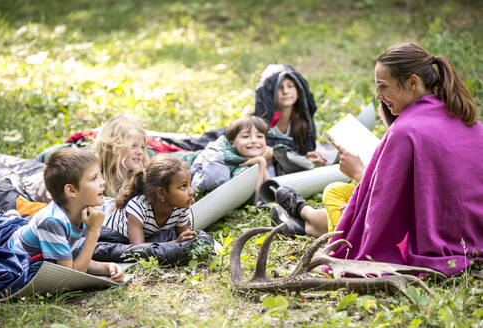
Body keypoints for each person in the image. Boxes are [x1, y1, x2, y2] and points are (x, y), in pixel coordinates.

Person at [272, 42, 483, 276]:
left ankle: (307, 217)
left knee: (346, 206)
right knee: (338, 193)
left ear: (413, 82)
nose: (378, 96)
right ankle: (307, 222)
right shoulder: (467, 119)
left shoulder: (406, 130)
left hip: (435, 234)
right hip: (473, 232)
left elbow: (385, 203)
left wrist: (360, 176)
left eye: (383, 86)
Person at [6, 148, 124, 281]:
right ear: (71, 190)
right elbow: (70, 275)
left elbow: (76, 259)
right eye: (94, 178)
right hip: (16, 258)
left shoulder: (83, 211)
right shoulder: (52, 221)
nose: (102, 182)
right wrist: (94, 232)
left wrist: (107, 267)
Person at [190, 115, 312, 203]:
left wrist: (272, 155)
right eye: (245, 136)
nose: (254, 140)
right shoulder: (238, 166)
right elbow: (256, 200)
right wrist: (261, 164)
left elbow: (307, 166)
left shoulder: (269, 154)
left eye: (259, 136)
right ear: (232, 142)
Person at [103, 155, 197, 245]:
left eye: (189, 185)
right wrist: (175, 243)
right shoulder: (138, 206)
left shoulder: (180, 207)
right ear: (161, 193)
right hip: (107, 228)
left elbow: (185, 239)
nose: (191, 192)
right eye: (183, 186)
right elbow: (137, 247)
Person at [253, 63, 327, 167]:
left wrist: (308, 159)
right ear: (269, 93)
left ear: (299, 90)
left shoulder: (303, 122)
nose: (285, 91)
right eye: (279, 87)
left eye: (290, 86)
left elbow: (302, 155)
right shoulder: (258, 125)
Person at [94, 114, 149, 198]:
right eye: (133, 146)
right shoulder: (97, 177)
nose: (140, 152)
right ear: (115, 147)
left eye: (142, 147)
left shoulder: (140, 181)